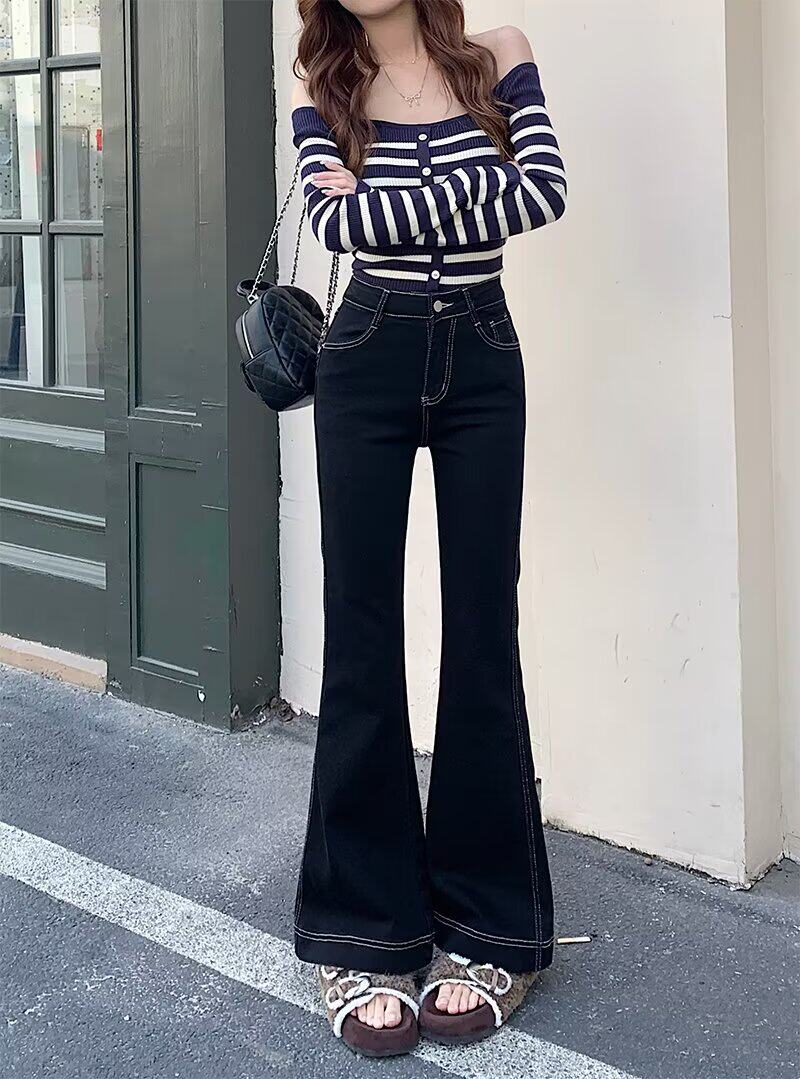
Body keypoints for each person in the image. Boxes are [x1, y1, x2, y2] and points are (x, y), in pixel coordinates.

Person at [289, 0, 567, 1056]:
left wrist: (387, 197)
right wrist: (462, 193)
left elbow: (542, 191)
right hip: (365, 351)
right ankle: (363, 931)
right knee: (360, 636)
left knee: (482, 631)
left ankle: (489, 929)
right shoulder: (324, 84)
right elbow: (340, 231)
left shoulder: (499, 56)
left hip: (483, 353)